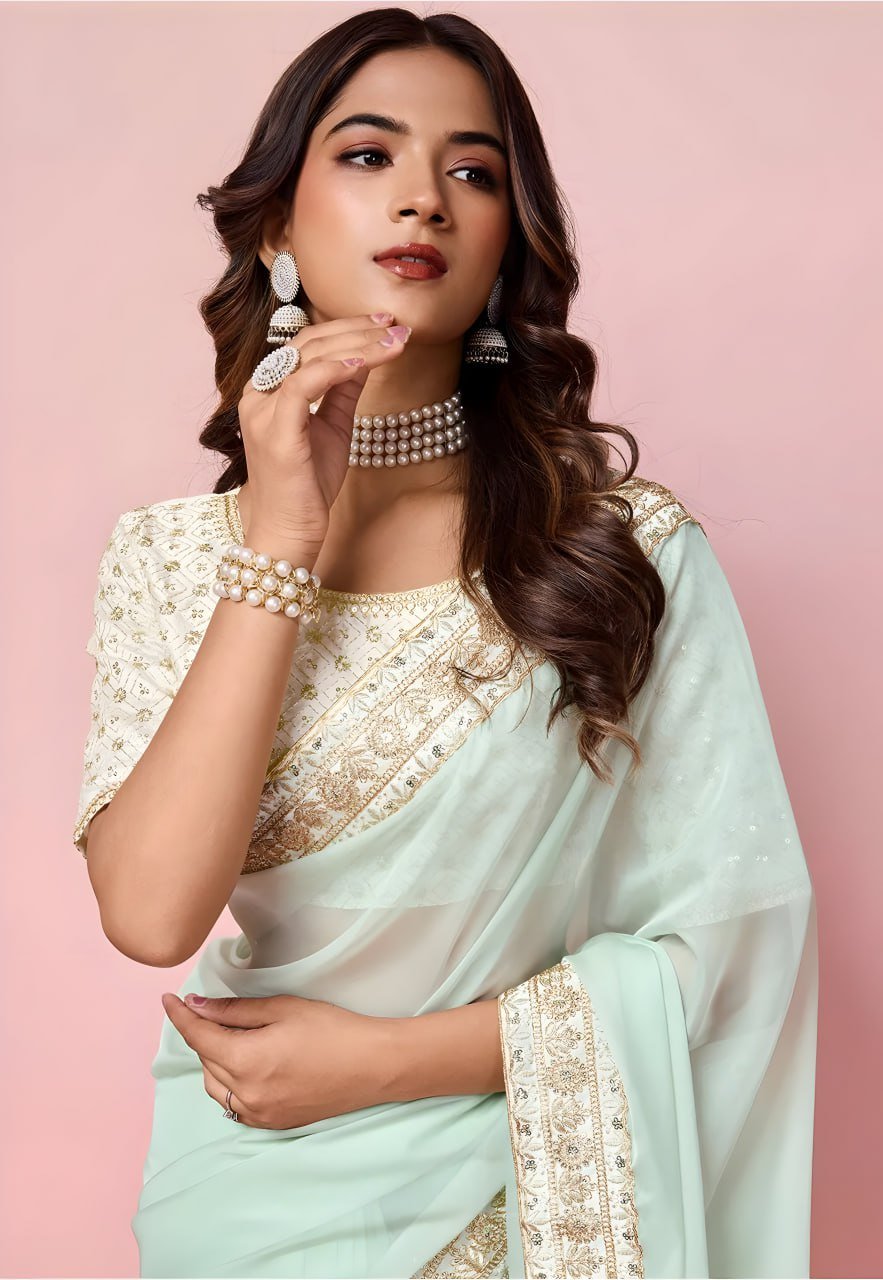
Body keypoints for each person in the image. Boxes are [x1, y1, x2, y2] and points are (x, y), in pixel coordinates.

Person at [72, 9, 818, 1278]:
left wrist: (386, 1063)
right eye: (367, 156)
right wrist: (281, 540)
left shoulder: (619, 552)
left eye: (470, 172)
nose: (421, 197)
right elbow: (149, 911)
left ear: (500, 247)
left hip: (512, 1189)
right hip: (247, 1204)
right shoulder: (166, 559)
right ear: (276, 227)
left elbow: (733, 948)